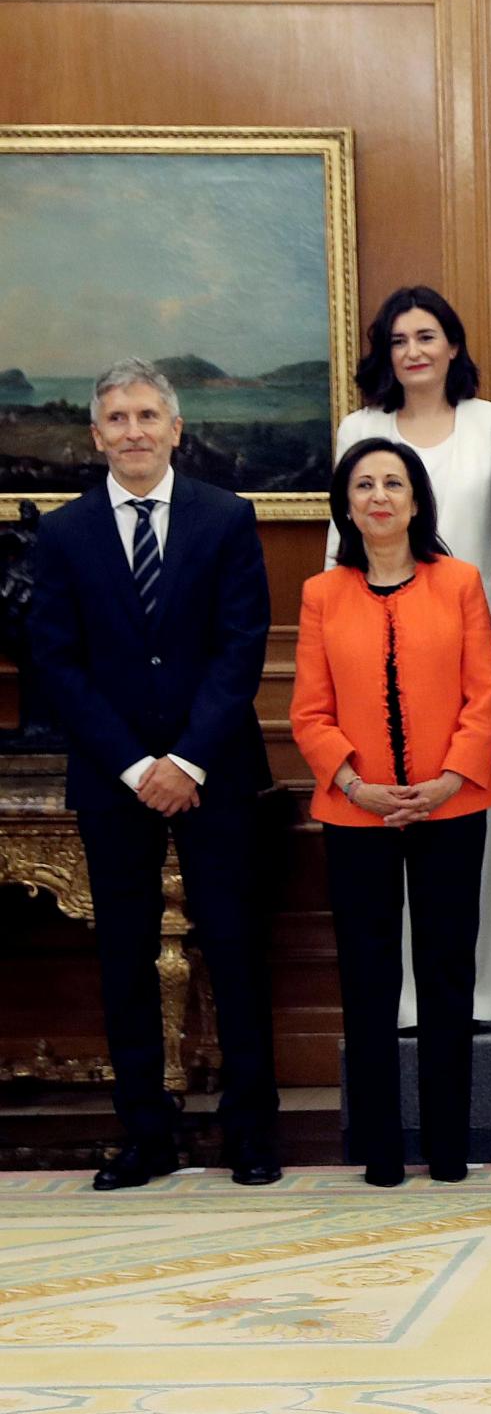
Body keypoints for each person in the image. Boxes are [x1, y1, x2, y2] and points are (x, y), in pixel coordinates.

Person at [29, 360, 281, 1190]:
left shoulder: (226, 518)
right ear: (95, 435)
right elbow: (57, 666)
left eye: (147, 415)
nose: (133, 430)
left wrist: (188, 760)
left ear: (176, 428)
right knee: (125, 959)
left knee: (236, 950)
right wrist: (140, 766)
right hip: (115, 777)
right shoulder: (64, 535)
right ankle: (146, 1135)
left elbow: (242, 647)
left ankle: (250, 1131)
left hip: (216, 770)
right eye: (117, 418)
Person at [292, 439, 491, 1185]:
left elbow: (484, 695)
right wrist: (355, 786)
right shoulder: (323, 595)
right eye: (364, 485)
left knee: (447, 975)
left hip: (453, 807)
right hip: (358, 816)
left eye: (394, 483)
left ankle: (448, 1146)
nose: (379, 496)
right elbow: (310, 712)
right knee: (369, 979)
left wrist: (450, 779)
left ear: (416, 501)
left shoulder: (461, 583)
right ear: (346, 505)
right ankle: (381, 1150)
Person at [331, 286, 491, 1031]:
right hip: (374, 660)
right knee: (387, 827)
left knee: (472, 826)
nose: (413, 350)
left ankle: (476, 995)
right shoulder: (359, 427)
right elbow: (339, 551)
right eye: (400, 339)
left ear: (452, 345)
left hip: (476, 662)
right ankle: (403, 1001)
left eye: (427, 336)